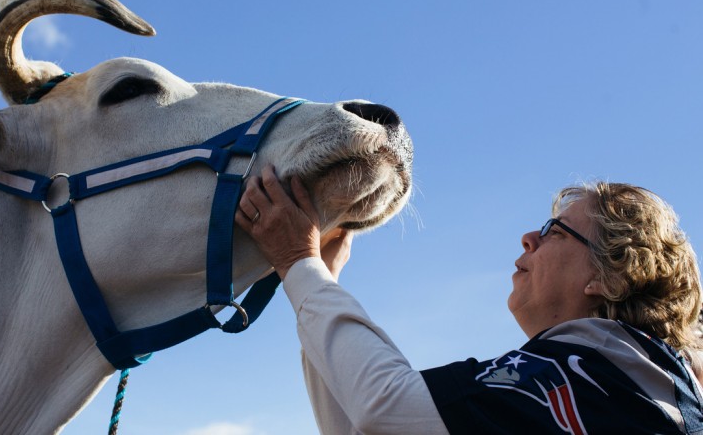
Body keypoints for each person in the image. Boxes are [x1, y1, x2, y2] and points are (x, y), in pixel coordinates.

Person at [235, 165, 703, 434]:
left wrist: (300, 260)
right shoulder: (629, 379)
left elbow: (385, 406)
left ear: (606, 275)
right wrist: (320, 282)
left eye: (552, 232)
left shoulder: (596, 369)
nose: (526, 239)